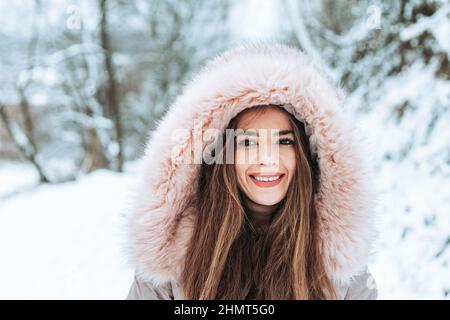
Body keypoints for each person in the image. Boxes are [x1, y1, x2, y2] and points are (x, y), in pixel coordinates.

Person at [124, 42, 378, 300]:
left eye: (284, 141)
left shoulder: (341, 270)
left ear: (308, 156)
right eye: (248, 142)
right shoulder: (172, 261)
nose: (268, 160)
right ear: (221, 153)